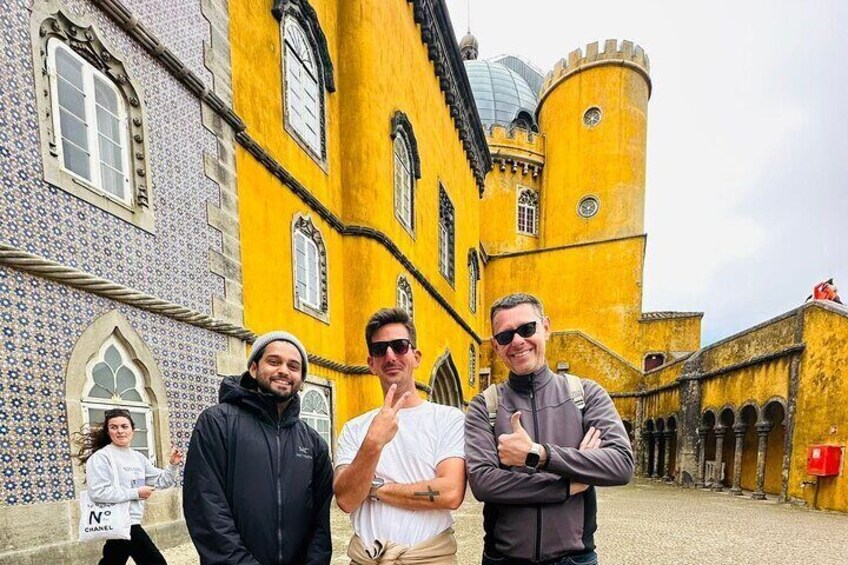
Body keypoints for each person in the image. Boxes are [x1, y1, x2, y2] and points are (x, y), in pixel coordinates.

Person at [465, 293, 634, 564]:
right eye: (506, 336)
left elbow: (621, 464)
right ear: (496, 346)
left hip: (574, 558)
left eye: (526, 329)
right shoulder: (484, 406)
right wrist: (569, 485)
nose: (517, 341)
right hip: (504, 558)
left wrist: (538, 455)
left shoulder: (586, 395)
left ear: (545, 327)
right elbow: (484, 483)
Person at [183, 331, 333, 565]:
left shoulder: (313, 443)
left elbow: (321, 524)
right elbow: (206, 506)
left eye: (293, 366)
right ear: (253, 368)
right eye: (274, 362)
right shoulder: (217, 423)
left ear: (301, 379)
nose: (283, 370)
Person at [334, 308, 466, 564]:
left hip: (429, 559)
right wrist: (373, 442)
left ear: (416, 356)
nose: (390, 356)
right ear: (371, 363)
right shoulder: (355, 428)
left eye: (400, 346)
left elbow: (450, 493)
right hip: (367, 560)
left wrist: (375, 489)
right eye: (380, 349)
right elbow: (347, 500)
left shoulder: (447, 418)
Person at [75, 408, 182, 565]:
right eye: (114, 427)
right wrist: (136, 493)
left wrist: (173, 464)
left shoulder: (138, 458)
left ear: (133, 430)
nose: (120, 431)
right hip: (122, 520)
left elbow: (162, 481)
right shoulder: (101, 458)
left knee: (113, 560)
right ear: (108, 431)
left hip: (129, 522)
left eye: (124, 426)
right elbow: (98, 492)